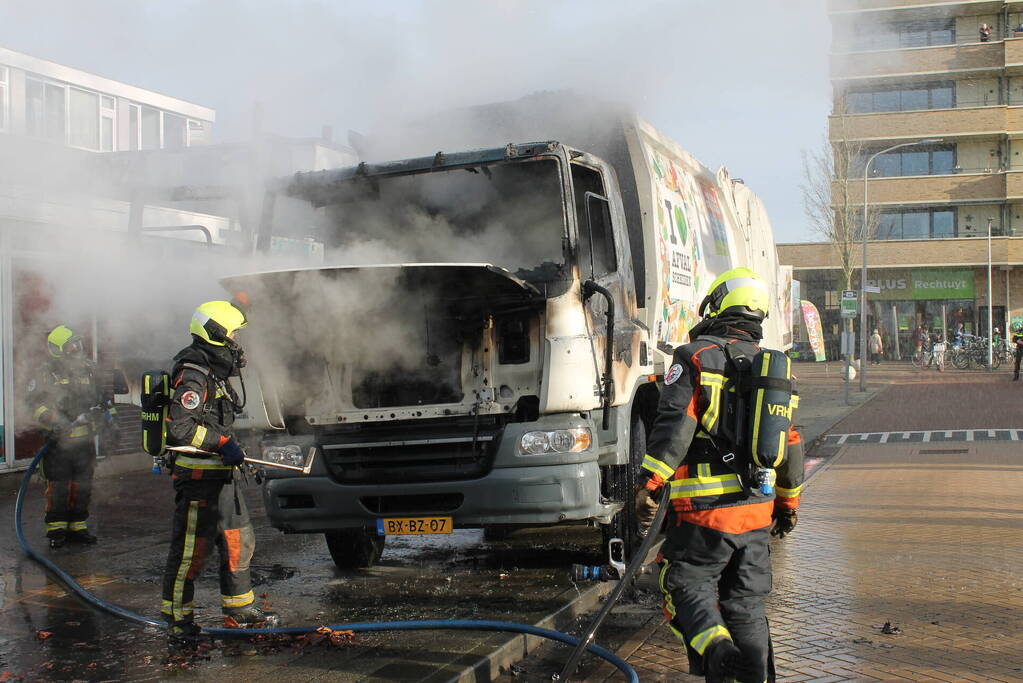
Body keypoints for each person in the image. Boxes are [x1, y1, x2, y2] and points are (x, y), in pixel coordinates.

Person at [635, 268, 804, 682]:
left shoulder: (695, 357)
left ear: (717, 306)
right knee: (746, 605)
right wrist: (788, 505)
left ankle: (715, 648)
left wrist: (649, 485)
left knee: (682, 583)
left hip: (705, 514)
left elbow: (676, 424)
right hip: (757, 513)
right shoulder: (776, 372)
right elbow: (792, 445)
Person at [160, 300, 277, 642]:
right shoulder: (193, 372)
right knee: (190, 552)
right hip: (198, 479)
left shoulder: (214, 371)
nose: (238, 340)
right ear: (217, 333)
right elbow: (180, 429)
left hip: (220, 476)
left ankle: (240, 610)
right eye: (234, 333)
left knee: (239, 540)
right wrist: (221, 443)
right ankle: (178, 621)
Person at [28, 325, 106, 548]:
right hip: (58, 443)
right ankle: (56, 530)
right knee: (59, 487)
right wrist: (55, 420)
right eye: (72, 344)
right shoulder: (46, 372)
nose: (77, 348)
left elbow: (99, 399)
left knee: (82, 485)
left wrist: (101, 415)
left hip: (84, 442)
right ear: (58, 349)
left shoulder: (87, 369)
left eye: (78, 344)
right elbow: (34, 404)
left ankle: (78, 527)